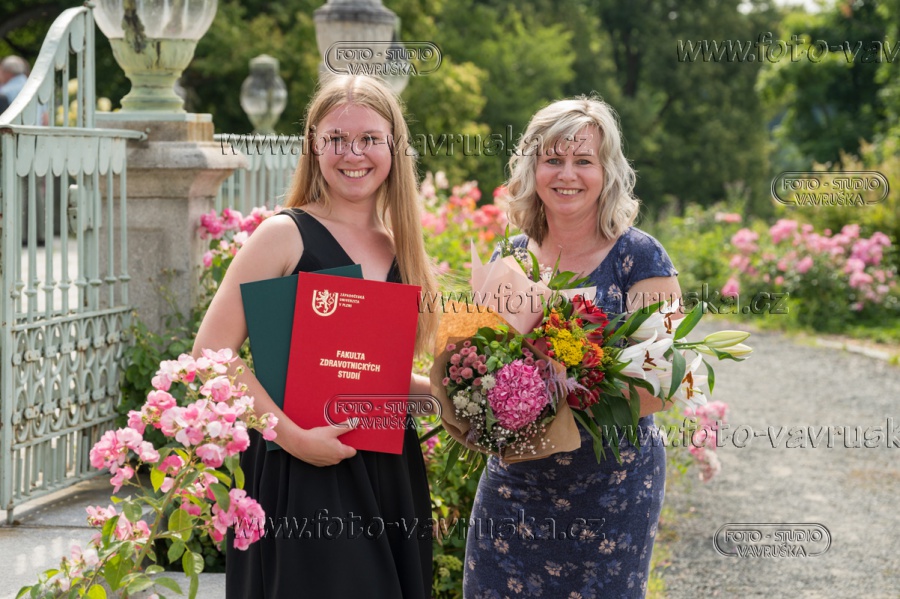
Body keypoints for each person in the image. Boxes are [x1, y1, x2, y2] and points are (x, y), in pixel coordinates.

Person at [192, 74, 437, 598]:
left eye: (370, 138)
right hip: (301, 473)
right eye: (336, 139)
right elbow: (210, 355)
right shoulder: (285, 235)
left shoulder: (401, 248)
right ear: (313, 146)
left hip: (390, 472)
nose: (354, 153)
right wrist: (293, 438)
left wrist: (458, 393)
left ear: (394, 146)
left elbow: (377, 377)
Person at [463, 97, 681, 598]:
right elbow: (481, 366)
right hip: (515, 482)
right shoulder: (510, 258)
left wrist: (566, 389)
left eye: (584, 160)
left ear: (607, 172)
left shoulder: (639, 257)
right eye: (553, 159)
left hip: (612, 489)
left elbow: (666, 384)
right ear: (532, 168)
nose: (567, 174)